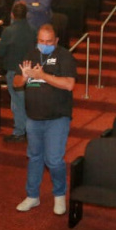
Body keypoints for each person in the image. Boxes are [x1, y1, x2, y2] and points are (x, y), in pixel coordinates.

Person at [13, 24, 76, 215]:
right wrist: (23, 78)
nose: (45, 44)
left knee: (54, 160)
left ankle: (59, 195)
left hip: (57, 117)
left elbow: (69, 84)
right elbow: (16, 83)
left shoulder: (65, 56)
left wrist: (42, 75)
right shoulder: (31, 54)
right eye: (41, 41)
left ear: (56, 41)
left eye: (49, 42)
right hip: (33, 117)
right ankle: (32, 196)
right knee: (34, 157)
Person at [0, 2, 34, 143]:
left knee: (17, 103)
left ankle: (19, 132)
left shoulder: (9, 31)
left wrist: (0, 43)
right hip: (29, 71)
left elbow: (0, 51)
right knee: (24, 102)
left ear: (12, 14)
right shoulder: (33, 30)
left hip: (13, 71)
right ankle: (27, 130)